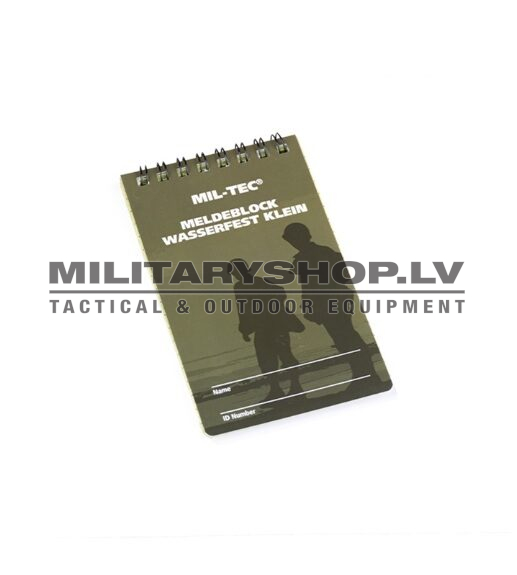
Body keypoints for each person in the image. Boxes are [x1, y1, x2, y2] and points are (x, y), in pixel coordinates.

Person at [282, 223, 372, 379]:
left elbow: (313, 285)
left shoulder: (316, 254)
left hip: (331, 302)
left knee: (346, 338)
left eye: (293, 239)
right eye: (291, 239)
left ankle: (365, 373)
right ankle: (363, 373)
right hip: (330, 302)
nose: (292, 242)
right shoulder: (313, 254)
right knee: (344, 338)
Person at [229, 258, 304, 400]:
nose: (235, 274)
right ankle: (277, 389)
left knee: (284, 356)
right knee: (267, 360)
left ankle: (294, 387)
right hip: (264, 328)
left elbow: (280, 293)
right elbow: (242, 309)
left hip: (274, 326)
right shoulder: (241, 286)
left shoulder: (256, 282)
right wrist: (244, 329)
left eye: (235, 271)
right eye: (234, 272)